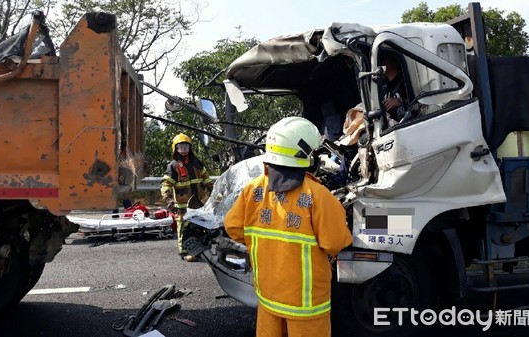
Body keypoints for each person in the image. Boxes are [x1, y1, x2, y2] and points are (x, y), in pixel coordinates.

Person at [224, 117, 353, 337]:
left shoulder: (253, 190)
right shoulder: (318, 196)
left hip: (268, 297)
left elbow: (233, 227)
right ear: (304, 154)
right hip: (306, 305)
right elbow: (336, 242)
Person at [161, 133, 213, 262]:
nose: (183, 149)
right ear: (175, 149)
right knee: (183, 230)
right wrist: (168, 200)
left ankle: (198, 251)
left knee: (199, 228)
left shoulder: (197, 163)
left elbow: (207, 180)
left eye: (186, 146)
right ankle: (184, 252)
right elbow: (165, 185)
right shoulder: (173, 166)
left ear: (190, 148)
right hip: (182, 206)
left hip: (199, 204)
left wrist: (213, 192)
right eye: (181, 147)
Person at [380, 53, 408, 124]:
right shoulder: (383, 87)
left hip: (404, 124)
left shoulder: (406, 81)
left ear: (393, 60)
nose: (381, 63)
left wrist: (400, 101)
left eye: (384, 59)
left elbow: (419, 102)